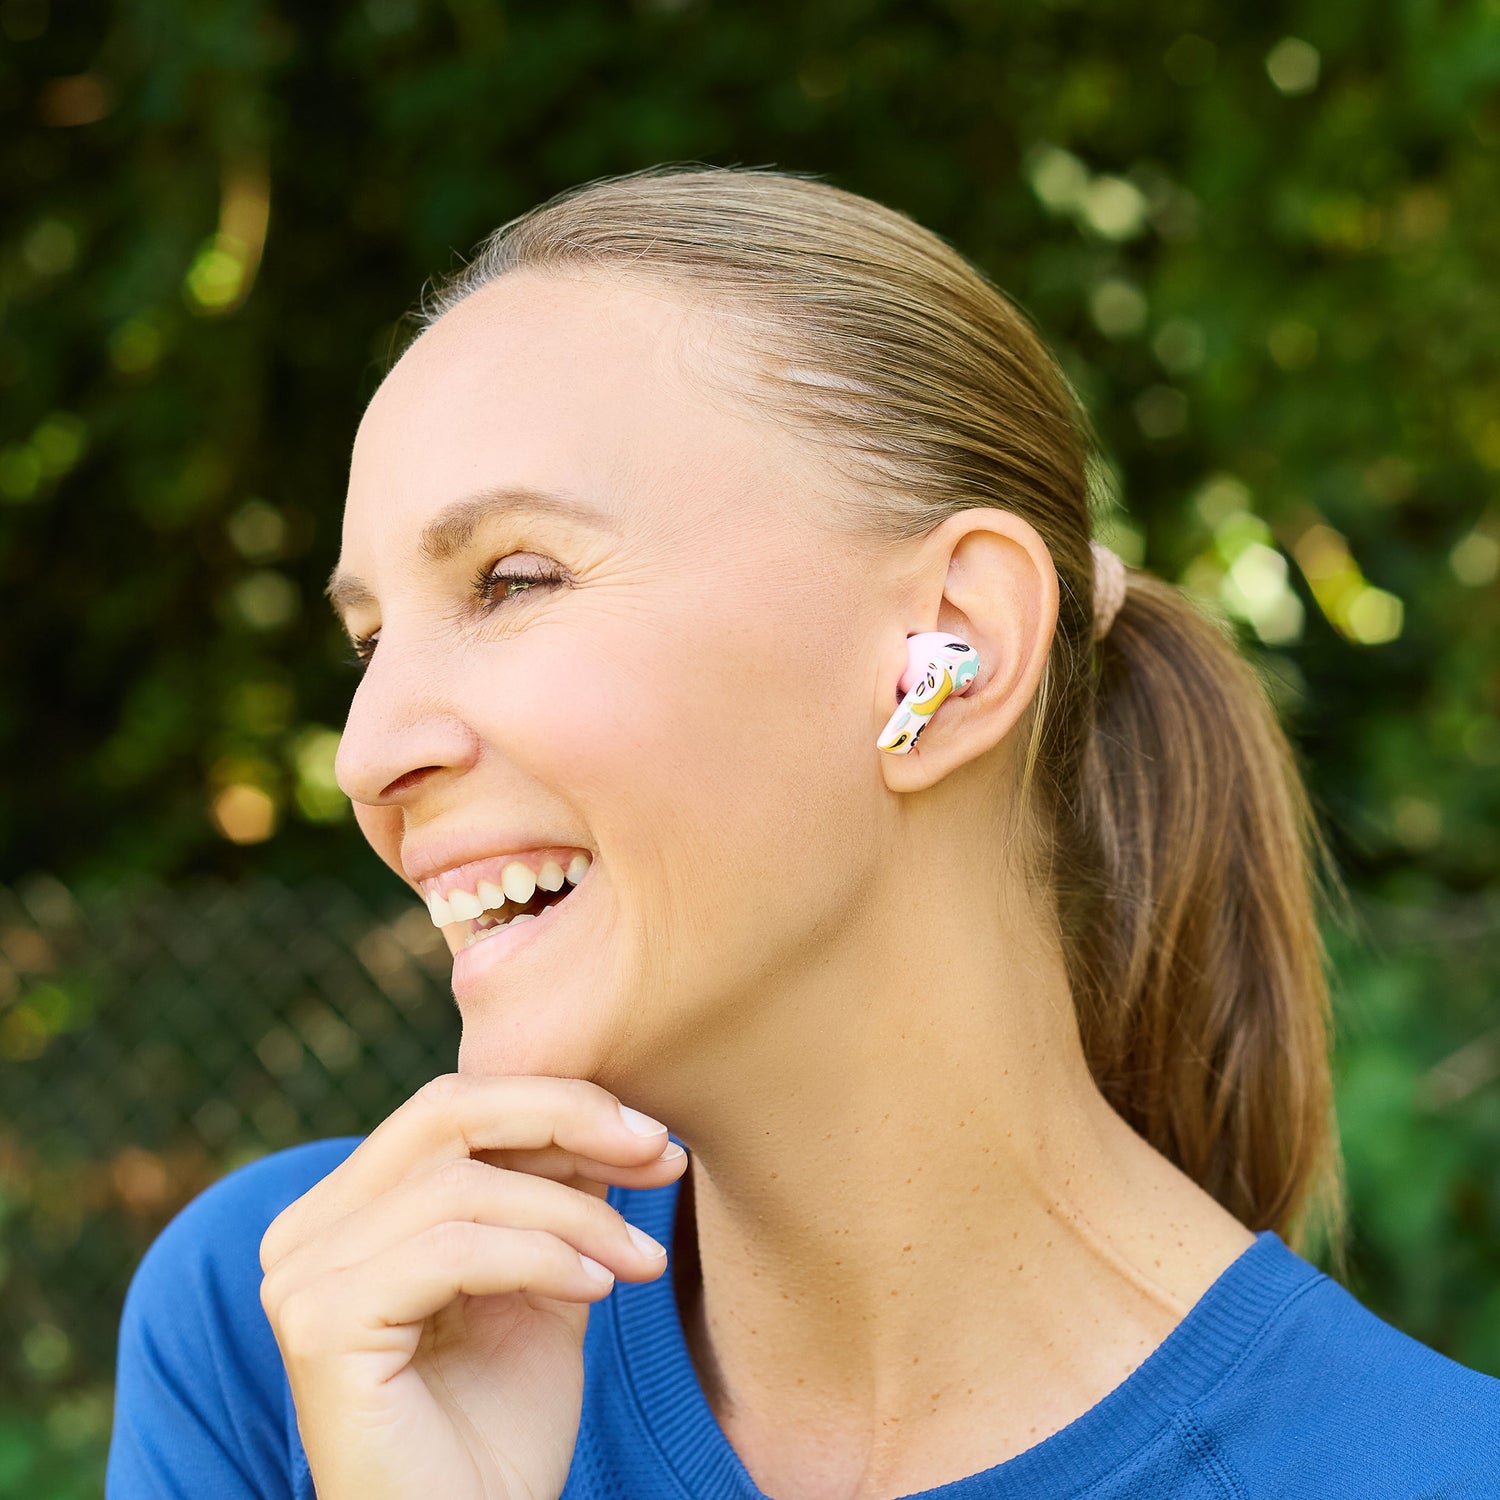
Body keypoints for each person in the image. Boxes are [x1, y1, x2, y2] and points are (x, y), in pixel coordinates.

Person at [107, 164, 1500, 1500]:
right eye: (368, 643)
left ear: (943, 655)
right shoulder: (306, 1328)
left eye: (512, 579)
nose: (367, 754)